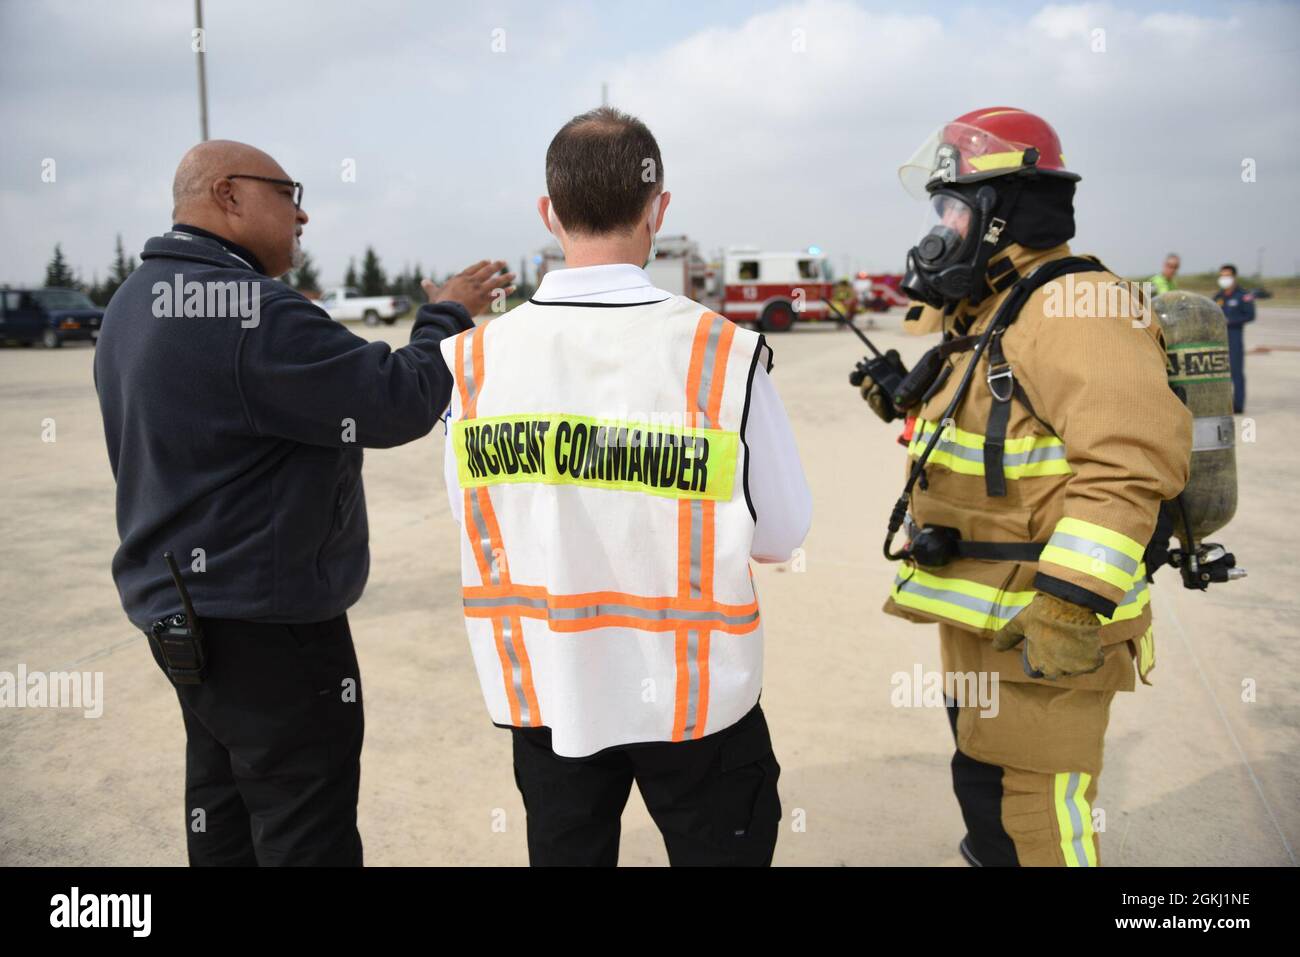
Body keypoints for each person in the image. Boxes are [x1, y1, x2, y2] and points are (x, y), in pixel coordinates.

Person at [94, 139, 513, 866]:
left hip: (183, 616)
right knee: (303, 828)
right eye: (289, 193)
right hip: (269, 626)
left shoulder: (135, 301)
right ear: (227, 193)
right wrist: (445, 313)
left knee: (223, 813)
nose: (304, 213)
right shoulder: (248, 309)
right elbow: (394, 399)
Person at [440, 107, 811, 866]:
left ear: (549, 213)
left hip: (548, 690)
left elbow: (478, 517)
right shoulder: (722, 353)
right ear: (658, 207)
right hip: (697, 699)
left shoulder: (471, 361)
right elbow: (781, 533)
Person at [859, 107, 1191, 866]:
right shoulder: (1000, 312)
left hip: (1049, 623)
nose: (940, 226)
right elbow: (982, 427)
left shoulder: (1079, 308)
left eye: (952, 207)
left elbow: (1129, 465)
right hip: (988, 614)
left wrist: (1071, 603)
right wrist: (901, 394)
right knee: (989, 793)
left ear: (1000, 215)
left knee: (1037, 814)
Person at [1213, 263, 1256, 413]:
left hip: (1235, 335)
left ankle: (1238, 405)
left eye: (1227, 276)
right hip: (1220, 338)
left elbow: (1250, 315)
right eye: (1222, 275)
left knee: (1236, 372)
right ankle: (1224, 403)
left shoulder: (1243, 295)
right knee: (1221, 373)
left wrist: (1231, 321)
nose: (1224, 278)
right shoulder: (1218, 296)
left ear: (1234, 277)